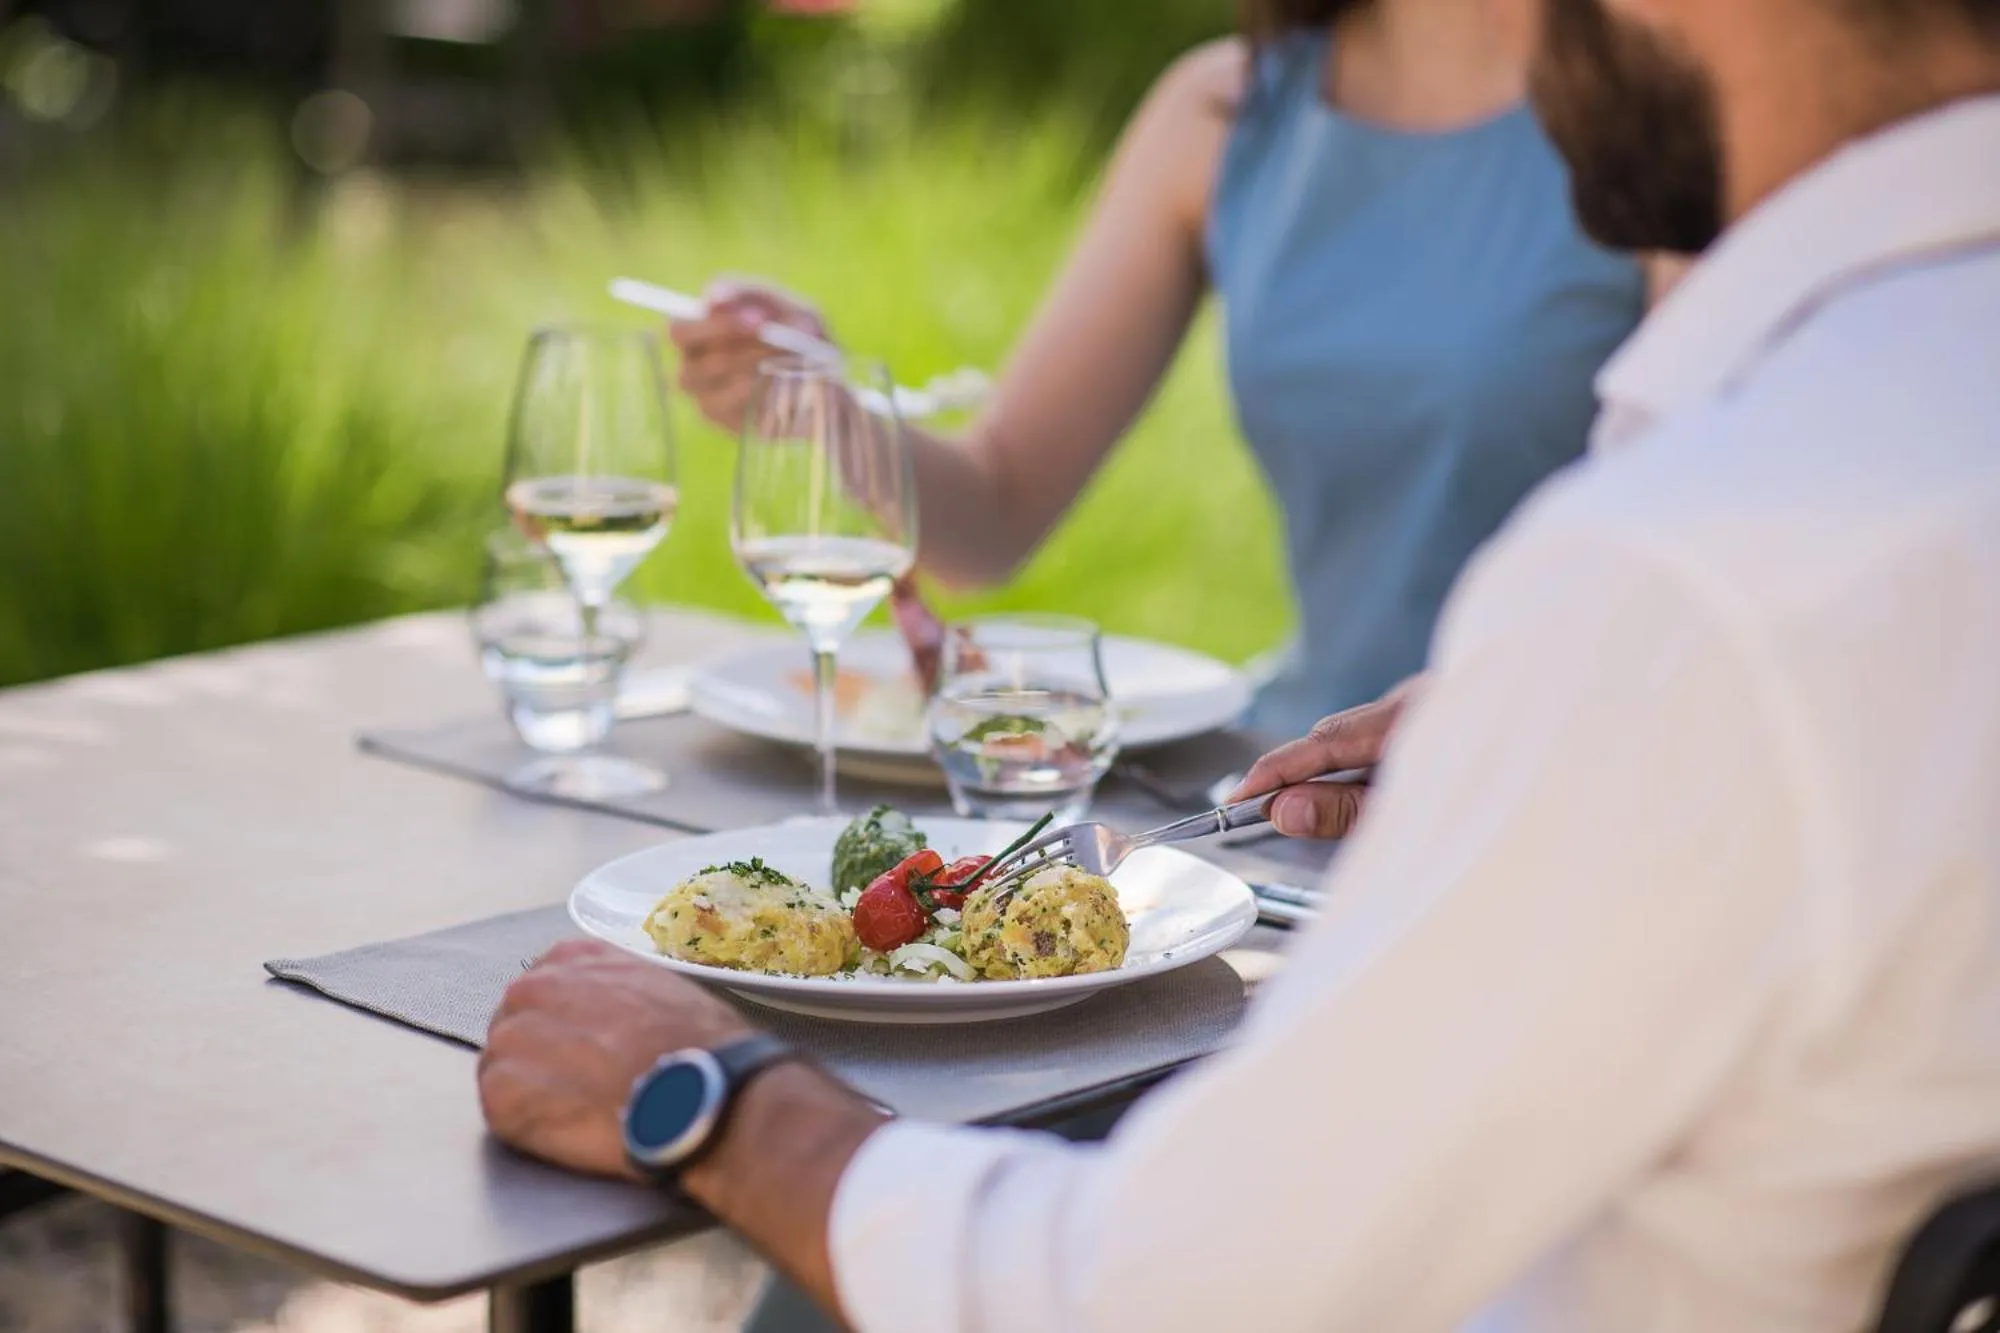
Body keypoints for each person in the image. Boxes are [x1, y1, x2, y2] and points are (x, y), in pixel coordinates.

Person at [482, 0, 2000, 1329]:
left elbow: (1153, 1295)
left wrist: (725, 1105)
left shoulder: (1692, 568)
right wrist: (1525, 723)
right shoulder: (1878, 440)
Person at [670, 0, 1646, 737]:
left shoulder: (1662, 112)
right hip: (1299, 774)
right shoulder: (1224, 110)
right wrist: (823, 405)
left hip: (1566, 762)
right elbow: (994, 510)